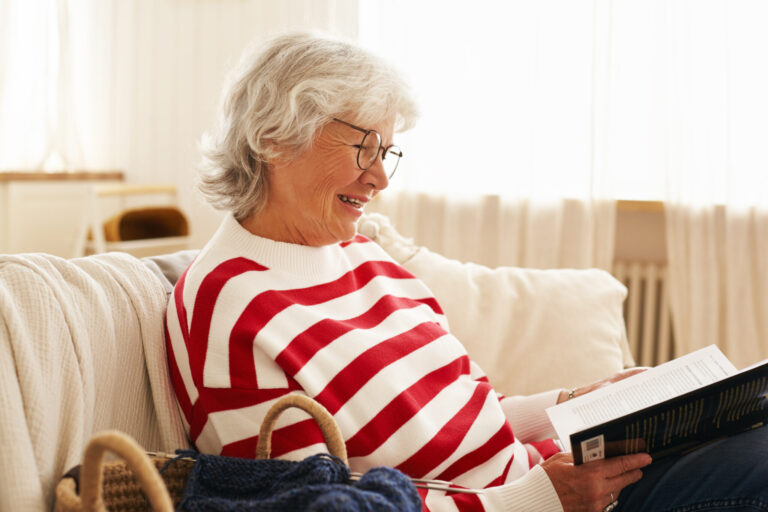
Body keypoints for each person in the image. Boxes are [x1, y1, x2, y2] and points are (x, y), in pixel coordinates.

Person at [165, 32, 768, 512]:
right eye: (362, 146)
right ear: (275, 137)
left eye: (387, 151)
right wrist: (536, 500)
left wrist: (576, 403)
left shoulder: (370, 262)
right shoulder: (228, 309)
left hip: (556, 481)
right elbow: (314, 503)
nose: (380, 177)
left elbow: (464, 413)